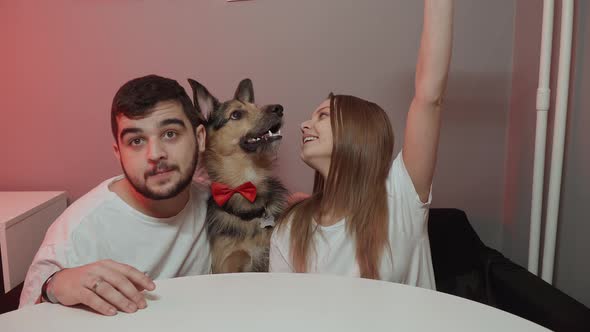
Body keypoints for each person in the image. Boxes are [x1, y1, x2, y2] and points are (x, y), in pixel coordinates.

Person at [269, 0, 454, 289]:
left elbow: (430, 96)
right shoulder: (291, 228)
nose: (304, 125)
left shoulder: (400, 196)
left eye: (323, 116)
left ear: (357, 131)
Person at [19, 75, 211, 315]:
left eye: (170, 134)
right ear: (118, 153)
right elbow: (24, 321)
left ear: (200, 138)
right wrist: (54, 286)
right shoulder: (76, 235)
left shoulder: (218, 203)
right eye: (137, 141)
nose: (155, 154)